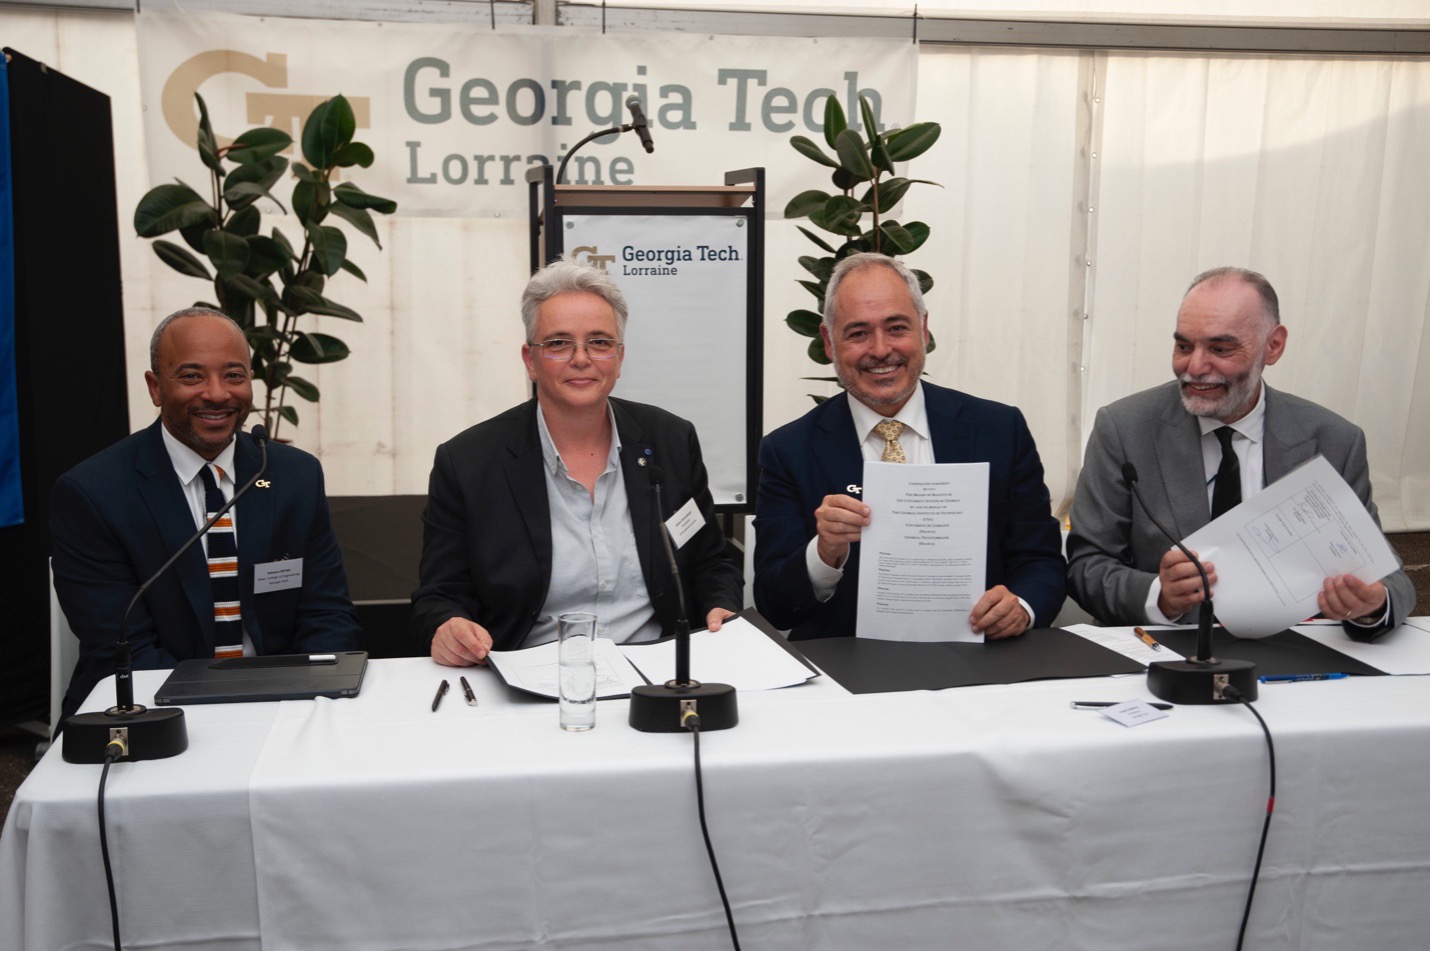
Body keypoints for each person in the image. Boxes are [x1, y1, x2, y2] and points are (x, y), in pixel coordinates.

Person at [411, 257, 741, 664]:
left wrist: (720, 607)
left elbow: (710, 560)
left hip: (657, 669)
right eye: (558, 343)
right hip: (532, 675)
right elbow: (440, 595)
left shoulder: (670, 440)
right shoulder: (468, 462)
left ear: (619, 357)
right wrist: (449, 626)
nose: (581, 358)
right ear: (530, 360)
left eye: (599, 342)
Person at [1066, 266, 1415, 638]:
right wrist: (1159, 595)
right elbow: (1087, 567)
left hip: (1296, 654)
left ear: (1273, 345)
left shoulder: (1332, 441)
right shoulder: (1125, 429)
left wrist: (1371, 606)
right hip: (1164, 655)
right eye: (1184, 346)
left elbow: (1388, 578)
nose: (1195, 367)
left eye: (1220, 348)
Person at [51, 308, 360, 715]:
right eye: (192, 376)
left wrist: (317, 703)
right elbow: (124, 648)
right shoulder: (94, 493)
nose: (217, 394)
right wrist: (225, 714)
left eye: (234, 375)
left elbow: (326, 614)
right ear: (155, 387)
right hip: (155, 709)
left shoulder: (294, 475)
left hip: (283, 703)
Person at [753, 252, 1066, 641]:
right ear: (829, 343)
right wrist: (824, 553)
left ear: (924, 330)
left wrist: (1021, 607)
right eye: (858, 333)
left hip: (982, 666)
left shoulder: (999, 430)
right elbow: (774, 604)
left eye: (897, 327)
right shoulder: (789, 451)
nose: (881, 349)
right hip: (846, 676)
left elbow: (1041, 560)